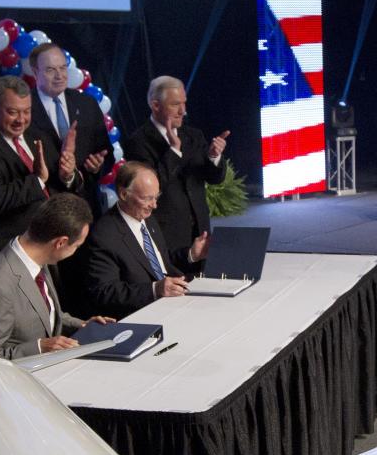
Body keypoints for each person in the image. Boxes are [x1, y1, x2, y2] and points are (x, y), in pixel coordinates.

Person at [0, 75, 81, 266]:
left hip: (49, 247)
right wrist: (37, 180)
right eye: (13, 112)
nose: (21, 120)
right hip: (8, 252)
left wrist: (67, 175)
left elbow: (57, 183)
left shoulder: (37, 135)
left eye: (26, 111)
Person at [0, 193, 113, 359]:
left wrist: (82, 325)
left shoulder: (38, 257)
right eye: (77, 246)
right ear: (61, 243)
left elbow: (45, 314)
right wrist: (38, 347)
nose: (76, 251)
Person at [82, 162, 210, 319]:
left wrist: (191, 254)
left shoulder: (146, 218)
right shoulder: (104, 234)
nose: (154, 205)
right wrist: (155, 289)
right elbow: (104, 291)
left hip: (174, 301)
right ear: (123, 194)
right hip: (142, 313)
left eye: (156, 197)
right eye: (148, 198)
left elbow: (160, 262)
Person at [121, 76, 229, 251]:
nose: (183, 111)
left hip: (200, 231)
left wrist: (213, 157)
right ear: (156, 105)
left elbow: (214, 179)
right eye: (175, 104)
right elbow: (149, 189)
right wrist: (173, 151)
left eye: (184, 103)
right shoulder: (138, 142)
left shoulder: (194, 135)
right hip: (167, 235)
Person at [27, 42, 112, 218]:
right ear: (35, 72)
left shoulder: (87, 104)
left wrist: (97, 166)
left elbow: (107, 153)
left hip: (85, 209)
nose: (59, 76)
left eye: (63, 68)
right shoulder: (24, 109)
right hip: (43, 210)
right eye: (51, 70)